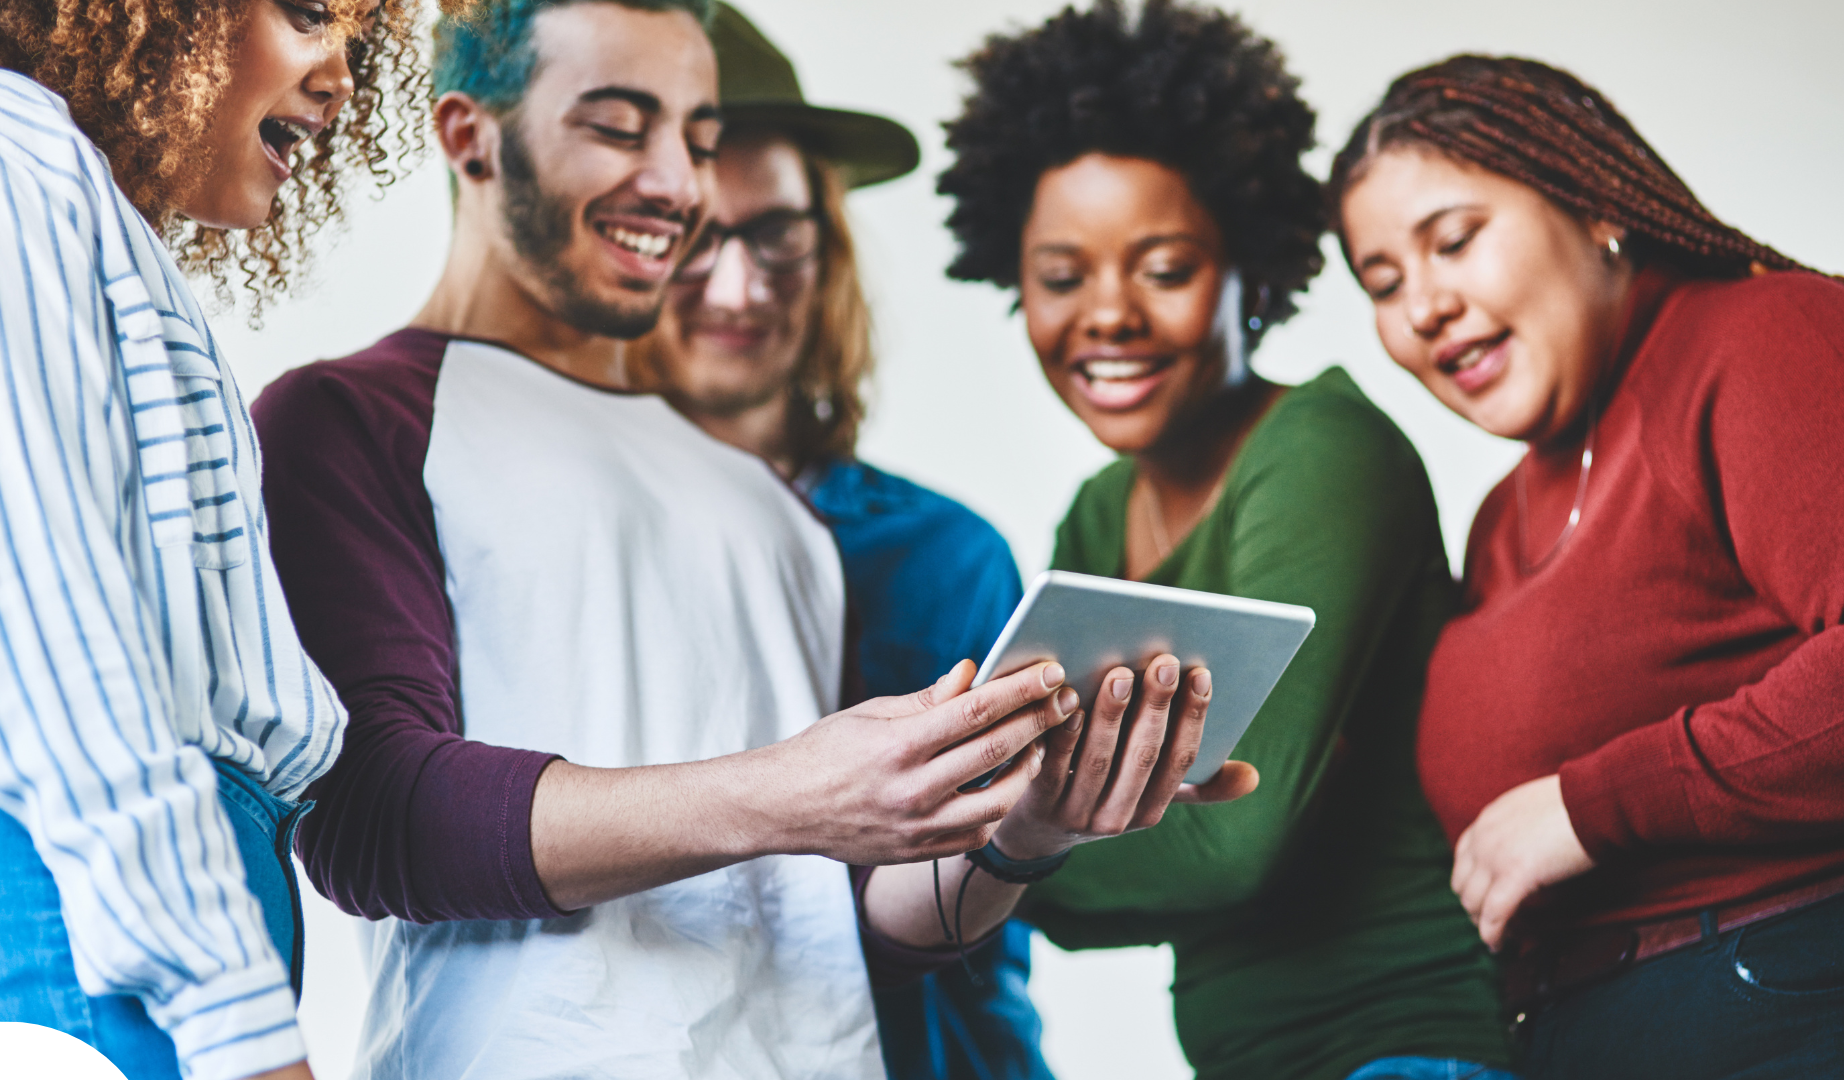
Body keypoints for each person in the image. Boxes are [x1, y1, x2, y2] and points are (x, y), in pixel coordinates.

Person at [249, 2, 1244, 1077]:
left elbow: (839, 933)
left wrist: (1023, 833)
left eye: (700, 141)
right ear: (468, 137)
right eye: (622, 127)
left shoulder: (773, 507)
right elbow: (374, 822)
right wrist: (789, 791)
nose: (680, 184)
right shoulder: (350, 417)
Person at [938, 4, 1515, 1080]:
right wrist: (1050, 835)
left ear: (1254, 270)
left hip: (1408, 1044)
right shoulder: (1098, 514)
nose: (1107, 315)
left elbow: (1234, 847)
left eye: (1164, 268)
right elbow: (1076, 863)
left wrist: (1022, 847)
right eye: (1063, 278)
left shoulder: (1323, 450)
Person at [1331, 54, 1844, 1079]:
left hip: (1802, 1001)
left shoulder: (1761, 334)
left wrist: (1589, 806)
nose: (1423, 305)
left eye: (1455, 241)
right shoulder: (1504, 517)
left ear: (1594, 206)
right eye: (1384, 283)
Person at [0, 1, 442, 1078]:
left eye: (357, 35)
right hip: (93, 934)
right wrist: (235, 1021)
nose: (340, 75)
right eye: (305, 12)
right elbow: (54, 634)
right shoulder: (20, 161)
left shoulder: (87, 209)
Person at [641, 7, 1053, 1079]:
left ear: (826, 243)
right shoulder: (549, 536)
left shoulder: (947, 552)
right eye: (692, 235)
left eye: (777, 230)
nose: (741, 287)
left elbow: (973, 918)